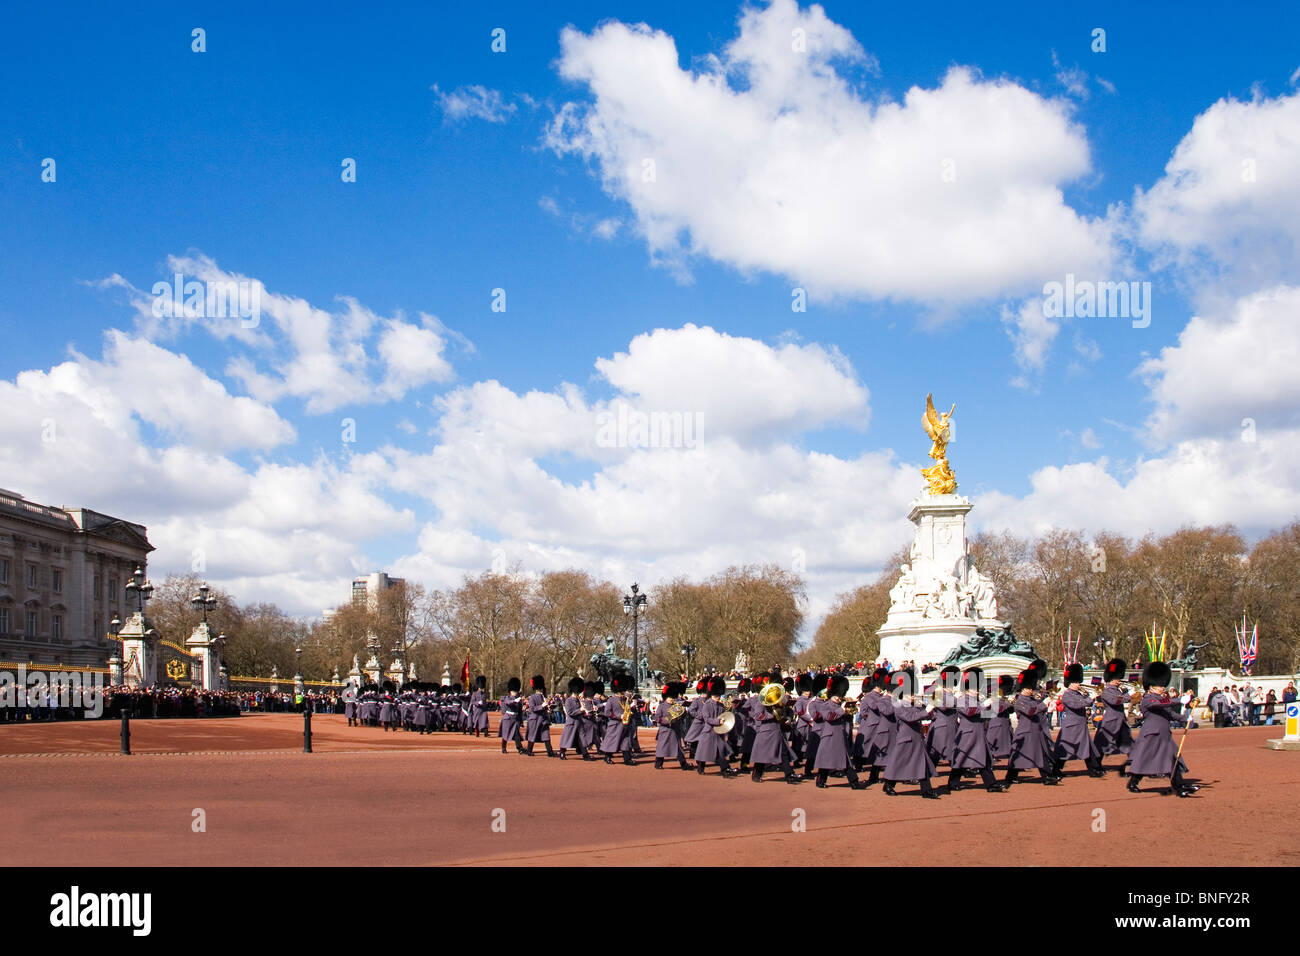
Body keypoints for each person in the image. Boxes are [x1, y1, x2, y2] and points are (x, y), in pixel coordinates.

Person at [1127, 661, 1198, 797]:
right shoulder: (1148, 699)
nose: (1162, 688)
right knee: (1145, 759)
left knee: (1172, 760)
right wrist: (1179, 700)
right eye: (1160, 685)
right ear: (1151, 687)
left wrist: (1185, 719)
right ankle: (1133, 781)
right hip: (1151, 735)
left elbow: (1170, 714)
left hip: (1164, 736)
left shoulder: (1161, 699)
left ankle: (1180, 787)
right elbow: (1160, 704)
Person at [948, 667, 1006, 793]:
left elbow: (986, 715)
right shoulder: (962, 699)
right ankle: (953, 782)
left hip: (979, 733)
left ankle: (991, 784)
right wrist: (984, 704)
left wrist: (995, 704)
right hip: (967, 733)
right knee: (961, 759)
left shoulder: (977, 700)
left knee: (983, 759)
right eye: (975, 688)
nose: (977, 691)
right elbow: (969, 712)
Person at [882, 670, 938, 798]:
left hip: (917, 740)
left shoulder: (913, 704)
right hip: (905, 739)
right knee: (899, 764)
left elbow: (928, 716)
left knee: (922, 765)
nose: (913, 695)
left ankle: (926, 790)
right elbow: (910, 717)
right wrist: (925, 711)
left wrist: (928, 708)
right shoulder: (898, 705)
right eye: (911, 693)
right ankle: (889, 784)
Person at [1003, 660, 1060, 788]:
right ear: (1023, 688)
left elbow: (1038, 710)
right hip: (1025, 732)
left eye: (1031, 688)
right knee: (1018, 756)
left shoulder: (1032, 698)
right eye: (1028, 688)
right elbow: (1030, 711)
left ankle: (1047, 777)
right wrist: (1044, 703)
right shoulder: (1019, 701)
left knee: (1042, 754)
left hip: (1036, 730)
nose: (1031, 690)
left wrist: (1046, 701)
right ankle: (1010, 777)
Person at [811, 675, 868, 789]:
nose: (839, 697)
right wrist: (842, 710)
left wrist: (848, 713)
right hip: (830, 736)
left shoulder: (838, 705)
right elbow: (829, 717)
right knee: (826, 761)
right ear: (832, 694)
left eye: (840, 695)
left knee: (846, 760)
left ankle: (854, 782)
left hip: (840, 736)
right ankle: (820, 780)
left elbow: (842, 718)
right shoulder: (825, 705)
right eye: (837, 695)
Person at [1052, 663, 1107, 777]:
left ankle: (1093, 769)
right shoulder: (1067, 695)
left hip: (1080, 726)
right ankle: (1055, 770)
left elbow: (1087, 702)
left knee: (1087, 748)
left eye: (1078, 682)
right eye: (1076, 682)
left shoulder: (1078, 693)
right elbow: (1077, 705)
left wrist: (1089, 695)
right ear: (1070, 683)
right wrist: (1089, 698)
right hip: (1071, 726)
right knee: (1065, 749)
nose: (1078, 684)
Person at [749, 673, 800, 785]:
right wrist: (771, 715)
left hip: (777, 730)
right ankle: (757, 773)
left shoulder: (779, 698)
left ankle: (789, 774)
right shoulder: (760, 700)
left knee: (784, 753)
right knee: (762, 755)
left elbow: (787, 708)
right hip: (766, 731)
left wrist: (786, 714)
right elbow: (758, 715)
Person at [1093, 658, 1134, 774]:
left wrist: (1126, 692)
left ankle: (1136, 766)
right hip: (1110, 721)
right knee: (1102, 744)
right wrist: (1127, 695)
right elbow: (1115, 701)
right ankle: (1096, 766)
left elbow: (1122, 698)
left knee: (1129, 744)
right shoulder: (1107, 691)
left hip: (1120, 720)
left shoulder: (1118, 690)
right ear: (1111, 679)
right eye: (1116, 678)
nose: (1118, 680)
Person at [694, 676, 738, 777]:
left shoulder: (721, 706)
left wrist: (725, 733)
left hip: (718, 733)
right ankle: (700, 767)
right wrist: (718, 721)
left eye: (719, 694)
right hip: (708, 732)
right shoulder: (707, 705)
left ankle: (725, 770)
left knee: (720, 753)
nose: (718, 697)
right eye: (717, 695)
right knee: (703, 754)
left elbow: (725, 718)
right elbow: (707, 719)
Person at [600, 672, 637, 765]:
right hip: (615, 724)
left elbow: (626, 709)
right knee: (612, 741)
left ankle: (627, 759)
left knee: (626, 741)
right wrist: (618, 716)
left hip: (625, 724)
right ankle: (607, 756)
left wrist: (629, 712)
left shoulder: (625, 699)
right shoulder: (611, 700)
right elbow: (607, 713)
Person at [653, 682, 692, 770]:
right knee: (662, 748)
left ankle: (684, 764)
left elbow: (681, 716)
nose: (672, 699)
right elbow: (656, 717)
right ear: (666, 697)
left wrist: (683, 713)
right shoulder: (661, 706)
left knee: (678, 748)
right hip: (665, 730)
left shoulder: (676, 706)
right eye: (670, 697)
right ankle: (658, 763)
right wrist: (667, 720)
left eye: (673, 697)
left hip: (675, 730)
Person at [523, 675, 556, 757]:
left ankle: (550, 751)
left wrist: (549, 708)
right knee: (532, 736)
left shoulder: (543, 697)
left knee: (546, 735)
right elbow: (532, 708)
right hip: (535, 719)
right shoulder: (533, 697)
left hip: (543, 719)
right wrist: (542, 706)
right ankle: (529, 750)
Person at [987, 675, 1015, 765]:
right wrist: (1008, 703)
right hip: (996, 725)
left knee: (1012, 745)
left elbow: (1011, 711)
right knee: (991, 746)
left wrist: (1012, 703)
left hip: (1005, 726)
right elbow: (998, 709)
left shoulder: (1003, 699)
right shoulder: (993, 699)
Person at [557, 676, 587, 760]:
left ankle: (585, 754)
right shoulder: (569, 700)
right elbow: (570, 712)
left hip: (579, 722)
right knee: (567, 738)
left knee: (582, 738)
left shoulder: (579, 700)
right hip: (572, 723)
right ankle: (562, 752)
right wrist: (580, 710)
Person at [498, 677, 526, 754]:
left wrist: (521, 721)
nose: (515, 693)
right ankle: (503, 748)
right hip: (508, 718)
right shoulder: (506, 698)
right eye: (514, 691)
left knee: (517, 734)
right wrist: (514, 701)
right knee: (505, 734)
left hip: (515, 719)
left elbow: (520, 711)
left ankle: (519, 748)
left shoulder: (519, 699)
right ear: (510, 691)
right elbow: (508, 702)